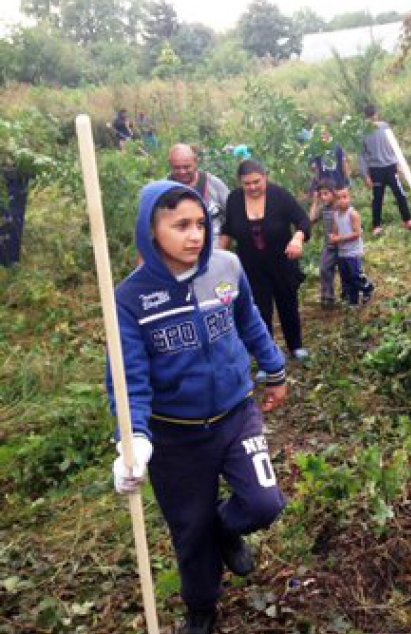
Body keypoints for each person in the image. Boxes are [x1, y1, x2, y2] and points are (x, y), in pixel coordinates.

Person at [108, 181, 288, 634]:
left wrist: (274, 368)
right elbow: (129, 378)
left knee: (264, 502)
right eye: (181, 226)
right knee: (189, 531)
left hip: (235, 413)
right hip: (175, 436)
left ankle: (226, 528)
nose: (196, 235)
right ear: (151, 233)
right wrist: (134, 440)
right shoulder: (129, 300)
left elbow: (249, 319)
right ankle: (201, 607)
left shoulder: (227, 266)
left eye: (200, 224)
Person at [219, 160, 312, 360]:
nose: (252, 187)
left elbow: (302, 220)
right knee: (259, 309)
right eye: (247, 184)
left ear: (265, 177)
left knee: (287, 303)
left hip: (282, 261)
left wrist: (297, 238)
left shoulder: (279, 195)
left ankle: (295, 345)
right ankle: (266, 355)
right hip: (251, 266)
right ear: (240, 183)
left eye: (256, 182)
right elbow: (228, 228)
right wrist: (217, 256)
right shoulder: (234, 199)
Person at [359, 104, 411, 236]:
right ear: (375, 114)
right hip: (376, 170)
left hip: (390, 167)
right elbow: (363, 155)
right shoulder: (363, 132)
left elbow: (393, 146)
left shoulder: (384, 127)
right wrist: (366, 175)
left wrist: (398, 163)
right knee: (378, 198)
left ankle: (408, 220)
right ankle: (377, 226)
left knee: (399, 194)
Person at [168, 144, 230, 246]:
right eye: (177, 168)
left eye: (186, 167)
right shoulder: (164, 190)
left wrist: (222, 245)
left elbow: (232, 215)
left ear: (196, 162)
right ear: (170, 164)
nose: (182, 172)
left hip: (213, 248)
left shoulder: (213, 184)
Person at [329, 184, 374, 306]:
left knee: (356, 275)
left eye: (344, 197)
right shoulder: (336, 215)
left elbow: (357, 233)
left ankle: (368, 288)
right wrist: (333, 236)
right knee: (346, 277)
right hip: (342, 252)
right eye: (338, 198)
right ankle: (353, 301)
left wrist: (339, 238)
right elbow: (335, 230)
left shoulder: (352, 214)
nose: (341, 200)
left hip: (353, 252)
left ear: (350, 198)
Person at [309, 178, 340, 307]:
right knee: (324, 269)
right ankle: (328, 297)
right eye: (321, 194)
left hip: (343, 245)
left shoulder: (340, 205)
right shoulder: (324, 208)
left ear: (334, 192)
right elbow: (311, 219)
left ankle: (350, 296)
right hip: (330, 246)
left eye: (326, 193)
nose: (323, 197)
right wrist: (315, 201)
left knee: (347, 272)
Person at [309, 125, 350, 190]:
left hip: (329, 184)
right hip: (330, 184)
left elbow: (344, 165)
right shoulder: (337, 147)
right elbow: (316, 169)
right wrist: (347, 180)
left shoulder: (316, 150)